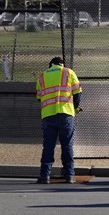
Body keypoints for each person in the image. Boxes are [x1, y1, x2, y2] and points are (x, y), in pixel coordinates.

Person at [36, 56, 82, 184]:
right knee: (67, 145)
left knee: (48, 146)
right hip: (66, 114)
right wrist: (76, 107)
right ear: (62, 64)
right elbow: (77, 93)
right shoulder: (69, 72)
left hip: (48, 115)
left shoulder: (42, 76)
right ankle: (70, 175)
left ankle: (45, 176)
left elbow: (39, 97)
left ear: (50, 65)